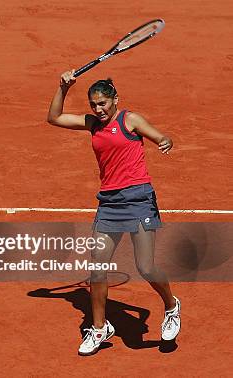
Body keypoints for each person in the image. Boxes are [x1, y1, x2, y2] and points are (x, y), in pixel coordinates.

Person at [47, 70, 181, 356]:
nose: (98, 109)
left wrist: (165, 141)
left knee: (145, 266)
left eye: (103, 104)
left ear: (115, 100)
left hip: (139, 199)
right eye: (94, 105)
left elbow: (161, 137)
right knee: (97, 268)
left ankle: (171, 305)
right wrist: (63, 88)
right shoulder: (92, 124)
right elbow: (54, 118)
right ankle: (99, 328)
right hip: (109, 204)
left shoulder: (129, 120)